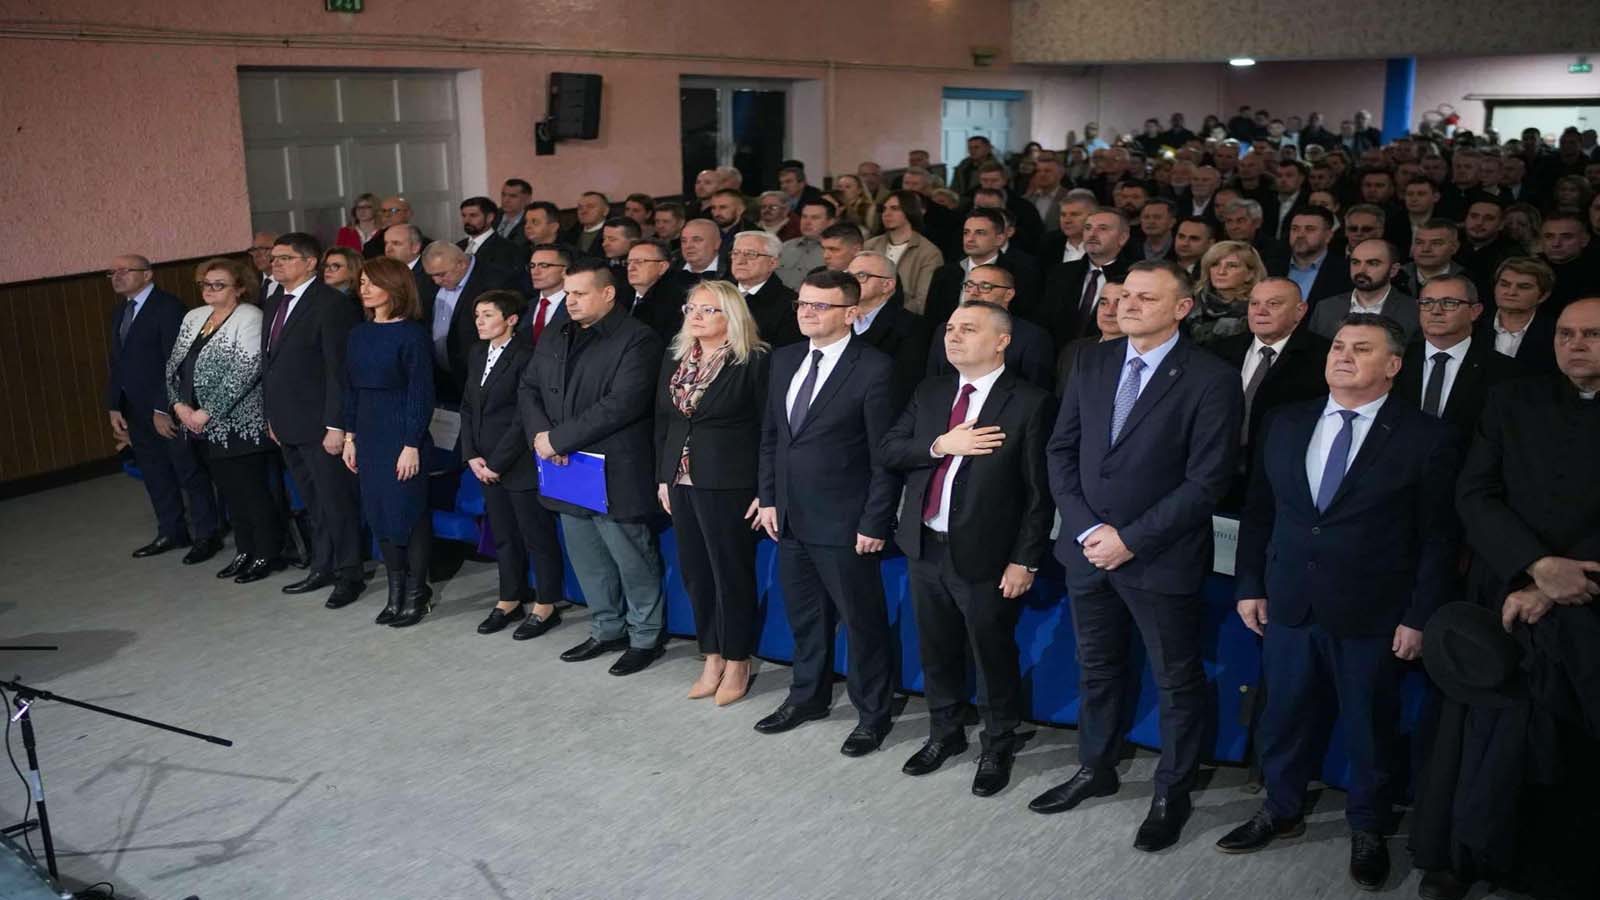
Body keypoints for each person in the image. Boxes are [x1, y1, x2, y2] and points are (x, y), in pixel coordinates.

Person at [1222, 314, 1459, 892]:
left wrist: (1418, 615)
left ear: (1393, 365)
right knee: (1283, 715)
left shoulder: (1426, 436)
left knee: (1369, 727)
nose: (1344, 356)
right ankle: (1280, 807)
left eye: (1362, 348)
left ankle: (1369, 825)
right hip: (1289, 603)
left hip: (1374, 612)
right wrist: (1250, 583)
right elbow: (1260, 511)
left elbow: (1439, 538)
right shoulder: (1285, 420)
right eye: (1338, 347)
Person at [1035, 259, 1243, 854]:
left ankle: (1171, 793)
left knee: (1176, 679)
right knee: (1096, 666)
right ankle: (1095, 767)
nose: (1128, 304)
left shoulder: (1211, 377)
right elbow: (1061, 450)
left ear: (1182, 308)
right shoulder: (1092, 360)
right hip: (1087, 550)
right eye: (1126, 294)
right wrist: (1087, 529)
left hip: (1159, 556)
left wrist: (1129, 539)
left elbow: (1207, 481)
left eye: (1146, 297)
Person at [1415, 297, 1600, 900]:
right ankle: (1462, 857)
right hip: (1503, 595)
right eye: (1566, 334)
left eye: (1592, 335)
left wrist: (1555, 582)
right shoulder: (1513, 399)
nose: (1575, 345)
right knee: (1481, 734)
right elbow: (1474, 493)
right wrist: (1535, 566)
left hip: (1590, 603)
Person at [881, 300, 1055, 797]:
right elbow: (890, 449)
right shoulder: (931, 390)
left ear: (1002, 341)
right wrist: (941, 445)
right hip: (924, 546)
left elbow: (1040, 494)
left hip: (987, 554)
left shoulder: (1031, 402)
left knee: (991, 653)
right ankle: (945, 733)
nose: (953, 337)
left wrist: (1024, 559)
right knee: (935, 649)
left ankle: (998, 742)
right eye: (950, 329)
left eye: (968, 329)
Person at [752, 269, 898, 755]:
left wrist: (874, 521)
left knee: (861, 623)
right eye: (802, 304)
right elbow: (772, 438)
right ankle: (807, 697)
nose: (807, 313)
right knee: (805, 618)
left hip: (846, 523)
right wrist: (768, 497)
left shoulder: (874, 368)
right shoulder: (784, 359)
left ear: (851, 313)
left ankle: (872, 714)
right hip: (790, 518)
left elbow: (883, 457)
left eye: (820, 305)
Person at [520, 260, 668, 676]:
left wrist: (558, 440)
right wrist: (542, 436)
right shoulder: (558, 331)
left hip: (614, 467)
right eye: (568, 293)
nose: (570, 301)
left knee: (631, 557)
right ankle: (607, 629)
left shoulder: (638, 339)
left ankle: (645, 637)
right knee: (587, 558)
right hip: (564, 464)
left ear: (608, 293)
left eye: (580, 293)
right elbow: (529, 387)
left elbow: (623, 403)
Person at [654, 280, 770, 706]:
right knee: (696, 574)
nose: (696, 316)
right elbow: (665, 422)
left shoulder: (755, 360)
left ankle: (738, 661)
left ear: (732, 315)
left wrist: (765, 488)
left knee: (730, 576)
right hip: (681, 480)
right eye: (691, 309)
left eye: (708, 310)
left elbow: (769, 429)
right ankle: (712, 656)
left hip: (730, 483)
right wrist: (664, 476)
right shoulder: (677, 356)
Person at [259, 232, 365, 608]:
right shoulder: (275, 300)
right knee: (311, 501)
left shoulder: (331, 304)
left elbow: (338, 371)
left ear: (309, 263)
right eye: (274, 258)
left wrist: (336, 425)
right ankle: (323, 565)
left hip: (322, 424)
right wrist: (271, 416)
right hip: (287, 420)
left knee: (336, 501)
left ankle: (350, 573)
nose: (276, 264)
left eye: (285, 258)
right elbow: (270, 365)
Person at [164, 257, 279, 582]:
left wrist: (206, 412)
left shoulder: (249, 316)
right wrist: (179, 407)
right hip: (198, 425)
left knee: (252, 493)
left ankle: (267, 553)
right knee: (229, 493)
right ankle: (244, 551)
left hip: (239, 423)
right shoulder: (193, 316)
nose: (209, 290)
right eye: (205, 284)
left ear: (239, 288)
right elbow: (173, 365)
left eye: (219, 285)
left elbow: (245, 369)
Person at [461, 289, 565, 640]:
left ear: (511, 320)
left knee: (536, 536)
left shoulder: (526, 355)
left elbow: (524, 417)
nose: (480, 322)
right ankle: (509, 598)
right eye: (477, 315)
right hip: (483, 462)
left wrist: (497, 462)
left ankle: (546, 604)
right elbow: (467, 405)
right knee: (503, 535)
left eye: (488, 315)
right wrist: (471, 454)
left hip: (518, 462)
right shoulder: (477, 352)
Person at [105, 254, 221, 561]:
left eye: (124, 270)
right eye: (112, 272)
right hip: (134, 407)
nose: (117, 276)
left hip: (169, 407)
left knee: (188, 471)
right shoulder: (121, 312)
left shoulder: (168, 307)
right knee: (155, 472)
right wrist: (114, 405)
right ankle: (172, 531)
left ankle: (207, 534)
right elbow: (118, 363)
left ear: (147, 275)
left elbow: (177, 361)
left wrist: (163, 407)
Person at [342, 256, 436, 628]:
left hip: (403, 436)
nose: (363, 288)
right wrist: (350, 437)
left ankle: (417, 593)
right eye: (361, 282)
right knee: (379, 513)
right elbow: (349, 389)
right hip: (368, 435)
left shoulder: (412, 334)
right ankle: (395, 591)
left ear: (394, 286)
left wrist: (411, 443)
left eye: (371, 282)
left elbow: (421, 393)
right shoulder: (358, 334)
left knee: (408, 514)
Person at [1208, 278, 1331, 510]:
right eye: (1254, 304)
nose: (1260, 311)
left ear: (1300, 311)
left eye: (1273, 304)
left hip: (1281, 480)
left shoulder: (1323, 358)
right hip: (1219, 472)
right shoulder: (1220, 351)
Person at [1392, 275, 1519, 441]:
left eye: (1449, 303)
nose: (1436, 311)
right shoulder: (1394, 360)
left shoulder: (1504, 371)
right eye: (1427, 303)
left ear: (1475, 311)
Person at [927, 264, 1055, 392]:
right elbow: (932, 383)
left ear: (1008, 294)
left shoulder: (1032, 337)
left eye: (985, 287)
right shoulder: (944, 330)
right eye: (969, 285)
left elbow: (1035, 393)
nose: (973, 292)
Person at [419, 241, 514, 408]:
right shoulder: (429, 283)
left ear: (461, 264)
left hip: (476, 377)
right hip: (440, 376)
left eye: (441, 274)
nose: (436, 281)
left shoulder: (495, 280)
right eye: (431, 275)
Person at [927, 208, 1042, 327]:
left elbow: (1026, 318)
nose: (970, 239)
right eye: (966, 232)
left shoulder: (1021, 274)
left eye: (980, 233)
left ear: (999, 239)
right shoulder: (944, 273)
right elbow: (932, 320)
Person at [847, 250, 932, 411]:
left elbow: (904, 386)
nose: (851, 283)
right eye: (848, 276)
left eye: (861, 276)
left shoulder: (913, 327)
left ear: (887, 285)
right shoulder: (839, 320)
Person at [1042, 209, 1130, 346]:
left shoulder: (1133, 277)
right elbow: (1044, 319)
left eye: (1103, 228)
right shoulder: (1061, 272)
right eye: (1088, 228)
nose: (1092, 234)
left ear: (1122, 238)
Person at [1309, 239, 1420, 343]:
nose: (1361, 270)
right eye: (1355, 262)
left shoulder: (1414, 311)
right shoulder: (1325, 308)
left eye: (1373, 263)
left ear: (1393, 270)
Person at [863, 191, 946, 315]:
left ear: (909, 211)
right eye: (884, 209)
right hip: (865, 315)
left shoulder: (929, 253)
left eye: (894, 209)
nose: (886, 214)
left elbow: (922, 302)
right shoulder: (870, 246)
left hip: (904, 319)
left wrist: (882, 311)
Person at [1479, 256, 1559, 375]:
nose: (1511, 292)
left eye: (1523, 287)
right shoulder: (1472, 326)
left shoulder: (1556, 333)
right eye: (1504, 284)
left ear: (1543, 295)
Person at [1188, 240, 1266, 346]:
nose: (1221, 272)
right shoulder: (1190, 303)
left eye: (1232, 266)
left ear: (1250, 274)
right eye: (1215, 264)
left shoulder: (1259, 312)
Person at [1056, 282, 1124, 394]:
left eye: (1119, 304)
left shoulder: (1138, 359)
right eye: (1103, 303)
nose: (1109, 312)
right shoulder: (1073, 350)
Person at [1284, 207, 1353, 304]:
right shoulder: (1272, 266)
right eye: (1295, 229)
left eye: (1309, 229)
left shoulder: (1345, 272)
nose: (1300, 235)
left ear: (1328, 236)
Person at [519, 243, 571, 346]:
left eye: (544, 266)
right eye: (532, 266)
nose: (535, 272)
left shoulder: (575, 306)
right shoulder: (525, 306)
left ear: (565, 271)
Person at [776, 199, 835, 289]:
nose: (807, 222)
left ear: (830, 222)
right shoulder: (785, 247)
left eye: (815, 218)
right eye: (804, 217)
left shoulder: (835, 251)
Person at [457, 196, 521, 271]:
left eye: (473, 215)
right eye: (464, 215)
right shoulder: (458, 247)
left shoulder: (507, 249)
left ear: (489, 218)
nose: (466, 220)